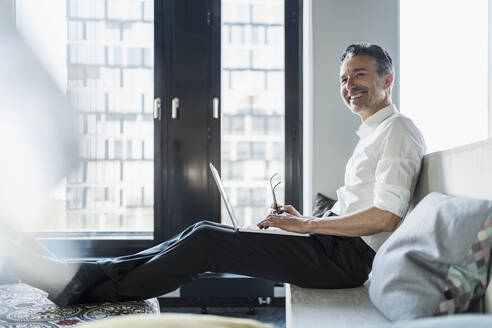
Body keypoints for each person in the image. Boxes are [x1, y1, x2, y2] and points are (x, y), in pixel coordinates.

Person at [11, 42, 426, 307]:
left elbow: (386, 217)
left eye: (360, 75)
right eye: (344, 78)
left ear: (387, 80)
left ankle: (85, 286)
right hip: (331, 244)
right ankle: (87, 276)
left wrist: (308, 225)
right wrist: (307, 221)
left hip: (345, 261)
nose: (350, 85)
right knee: (203, 229)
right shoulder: (373, 133)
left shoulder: (398, 130)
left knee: (208, 242)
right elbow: (362, 206)